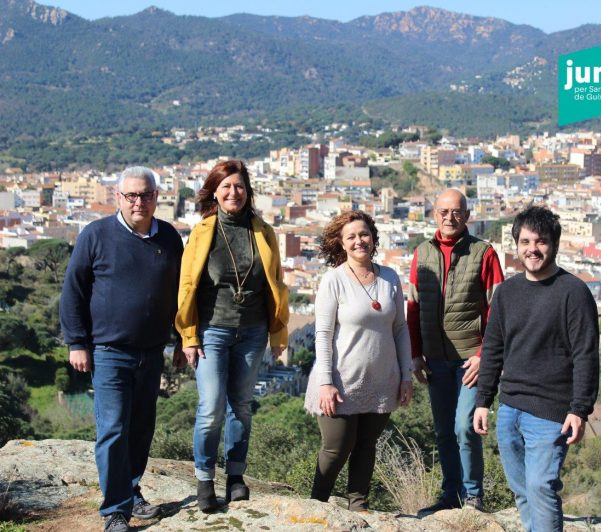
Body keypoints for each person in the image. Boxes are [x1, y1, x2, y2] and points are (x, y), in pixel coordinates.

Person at [60, 167, 184, 532]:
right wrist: (77, 342)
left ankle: (131, 491)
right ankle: (115, 511)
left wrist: (181, 339)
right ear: (119, 198)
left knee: (142, 427)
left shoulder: (170, 238)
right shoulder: (96, 235)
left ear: (157, 197)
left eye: (145, 195)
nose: (138, 202)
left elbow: (182, 293)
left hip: (152, 351)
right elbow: (73, 291)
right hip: (108, 350)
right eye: (131, 195)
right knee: (113, 428)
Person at [474, 206, 599, 531]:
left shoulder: (573, 292)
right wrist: (483, 400)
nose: (532, 249)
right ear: (516, 244)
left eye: (540, 241)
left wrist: (580, 409)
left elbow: (586, 354)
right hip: (510, 409)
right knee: (523, 490)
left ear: (554, 243)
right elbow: (493, 348)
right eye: (526, 241)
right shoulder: (507, 292)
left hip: (550, 412)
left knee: (542, 487)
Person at [175, 159, 289, 512]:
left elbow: (276, 282)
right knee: (210, 408)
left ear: (247, 191)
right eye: (226, 186)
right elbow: (187, 284)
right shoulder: (202, 231)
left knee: (241, 406)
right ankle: (205, 479)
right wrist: (188, 335)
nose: (233, 192)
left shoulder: (263, 231)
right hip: (212, 330)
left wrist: (278, 332)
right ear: (215, 192)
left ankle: (236, 477)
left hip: (253, 331)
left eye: (239, 186)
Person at [304, 210, 413, 512]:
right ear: (341, 243)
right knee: (337, 447)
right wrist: (325, 382)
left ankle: (358, 504)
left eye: (363, 234)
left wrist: (406, 375)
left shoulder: (389, 277)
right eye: (351, 236)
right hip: (340, 380)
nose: (358, 241)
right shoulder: (333, 280)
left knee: (366, 446)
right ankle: (317, 504)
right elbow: (323, 334)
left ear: (374, 238)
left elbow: (400, 329)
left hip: (382, 380)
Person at [408, 188, 504, 515]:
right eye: (443, 211)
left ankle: (474, 495)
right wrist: (415, 354)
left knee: (464, 425)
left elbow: (497, 309)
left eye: (457, 212)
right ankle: (452, 493)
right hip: (435, 358)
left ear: (467, 215)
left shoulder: (483, 253)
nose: (450, 218)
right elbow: (413, 308)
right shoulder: (422, 253)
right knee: (444, 430)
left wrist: (484, 356)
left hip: (470, 359)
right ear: (434, 214)